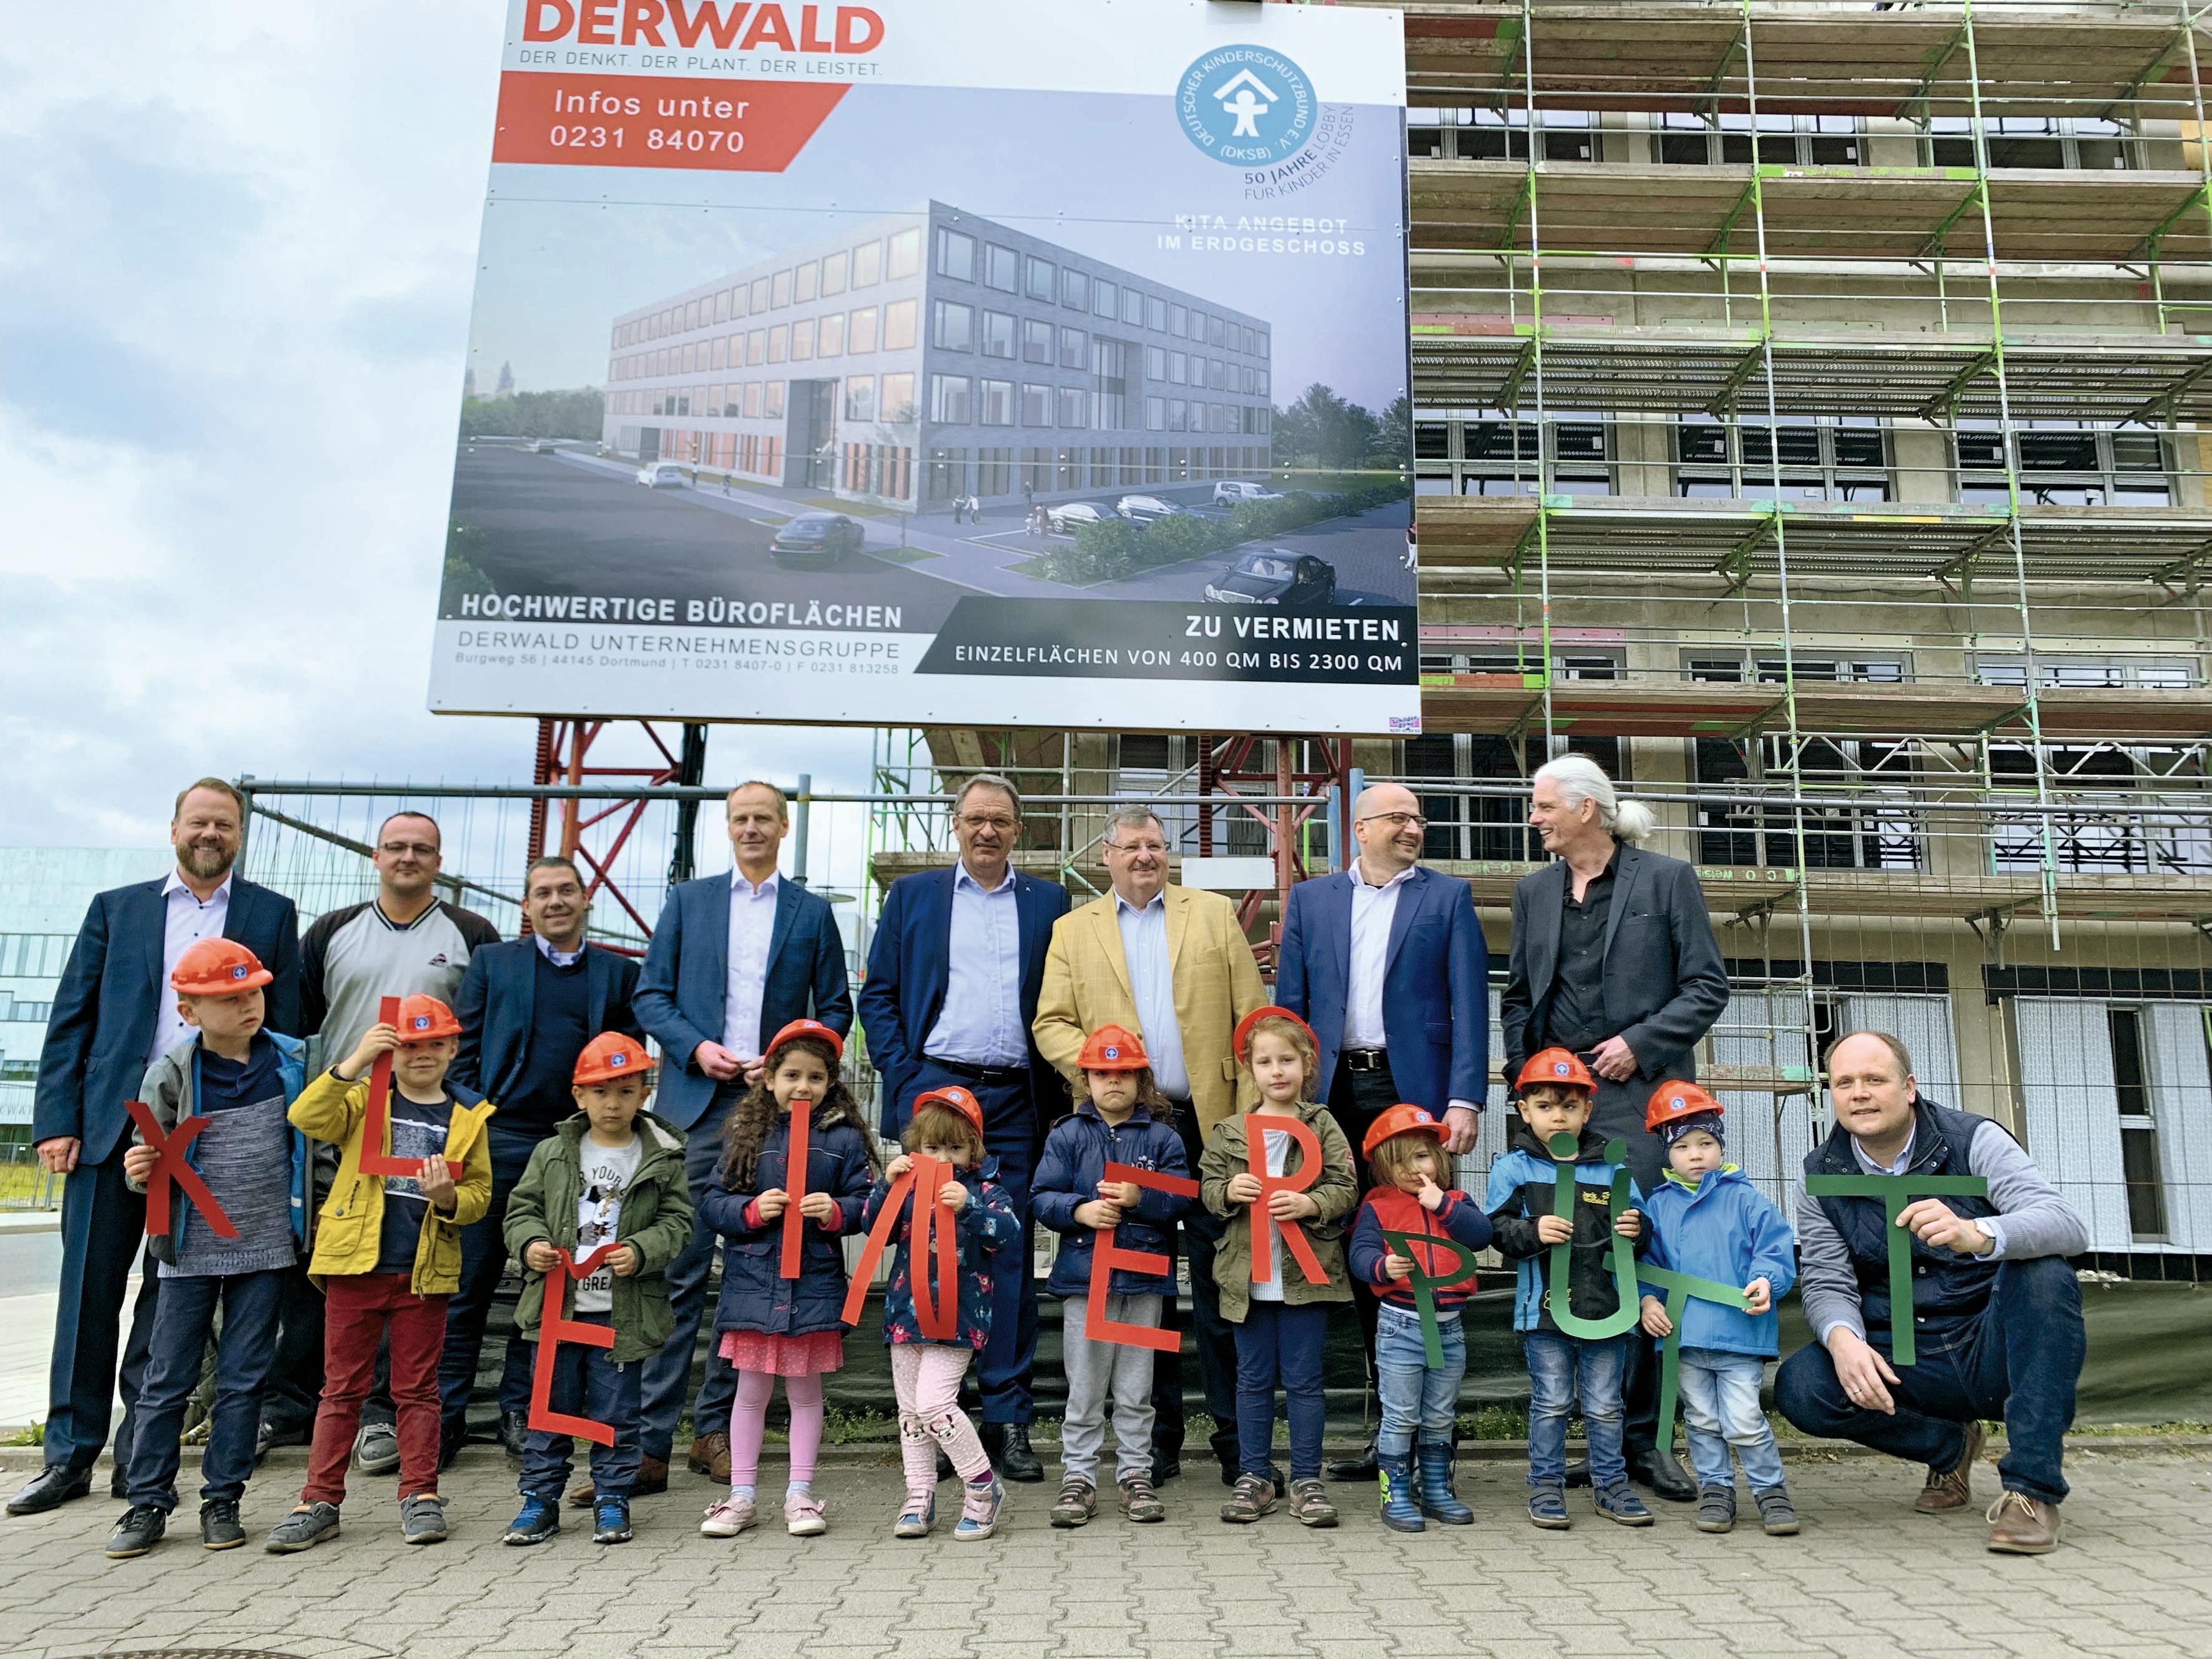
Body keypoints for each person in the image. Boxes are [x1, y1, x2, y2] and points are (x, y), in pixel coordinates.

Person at [13, 778, 302, 1520]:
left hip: (217, 1133)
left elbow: (287, 1024)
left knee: (169, 1300)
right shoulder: (119, 907)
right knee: (88, 1292)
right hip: (118, 1127)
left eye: (226, 824)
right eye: (200, 820)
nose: (212, 833)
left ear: (240, 834)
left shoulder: (270, 913)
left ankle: (142, 1457)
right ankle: (70, 1453)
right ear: (174, 826)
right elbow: (71, 1017)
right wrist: (56, 1120)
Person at [1500, 753, 1726, 1503]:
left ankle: (1645, 1442)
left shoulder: (1665, 880)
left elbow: (1706, 986)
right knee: (1567, 1258)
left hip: (1636, 1097)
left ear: (1585, 810)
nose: (1533, 818)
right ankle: (1590, 1442)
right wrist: (1523, 1077)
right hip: (1552, 1103)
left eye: (1542, 806)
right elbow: (1519, 995)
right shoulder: (1534, 891)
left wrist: (1641, 1044)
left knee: (1636, 1254)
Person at [1776, 1031, 2089, 1555]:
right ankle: (1949, 1447)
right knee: (1803, 1385)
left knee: (2044, 1273)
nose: (1859, 1093)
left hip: (1988, 1339)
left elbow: (2066, 1223)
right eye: (1843, 1082)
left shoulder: (1973, 1139)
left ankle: (2032, 1493)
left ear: (1910, 1087)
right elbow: (1827, 1277)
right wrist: (1843, 1340)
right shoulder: (1818, 1175)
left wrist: (1978, 1234)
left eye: (1875, 1079)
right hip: (1903, 1354)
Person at [1033, 804, 1266, 1485]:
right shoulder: (1073, 930)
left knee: (1226, 1285)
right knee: (1145, 1286)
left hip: (1208, 1126)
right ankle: (1157, 1441)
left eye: (1156, 845)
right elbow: (1051, 1022)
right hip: (1127, 1134)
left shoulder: (1214, 914)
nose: (1144, 856)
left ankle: (1236, 1441)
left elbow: (1251, 1020)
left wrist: (1249, 1120)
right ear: (1106, 855)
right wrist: (1107, 1071)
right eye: (1132, 845)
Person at [634, 780, 853, 1495]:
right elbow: (650, 996)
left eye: (764, 817)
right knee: (680, 1270)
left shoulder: (811, 913)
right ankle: (648, 1443)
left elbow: (837, 1007)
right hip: (698, 1102)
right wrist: (698, 1048)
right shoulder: (688, 902)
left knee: (756, 1273)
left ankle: (716, 1432)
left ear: (784, 827)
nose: (752, 827)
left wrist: (793, 1069)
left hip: (773, 1111)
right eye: (740, 818)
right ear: (726, 828)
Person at [1274, 779, 1490, 1480]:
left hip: (1415, 1092)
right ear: (1360, 827)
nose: (1414, 827)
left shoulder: (1447, 898)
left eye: (1420, 819)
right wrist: (1289, 1105)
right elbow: (1293, 1007)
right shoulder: (1312, 901)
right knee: (1361, 1248)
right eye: (1400, 817)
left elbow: (1469, 1002)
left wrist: (1465, 1098)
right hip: (1333, 1090)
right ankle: (1388, 1428)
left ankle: (1435, 1440)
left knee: (1423, 1243)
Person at [858, 773, 1069, 1482]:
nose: (987, 830)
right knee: (929, 1252)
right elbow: (879, 995)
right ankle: (933, 1419)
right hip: (935, 1101)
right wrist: (909, 1078)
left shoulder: (1051, 901)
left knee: (1005, 1257)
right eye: (975, 818)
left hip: (1015, 1101)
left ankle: (1007, 1420)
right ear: (956, 824)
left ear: (1019, 829)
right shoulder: (913, 896)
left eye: (1001, 820)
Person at [283, 810, 498, 1474]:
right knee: (336, 1267)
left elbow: (483, 1023)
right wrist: (348, 1070)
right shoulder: (331, 931)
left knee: (411, 1263)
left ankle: (384, 1418)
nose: (409, 856)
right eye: (396, 846)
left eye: (423, 848)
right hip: (351, 1125)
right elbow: (301, 1023)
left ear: (440, 860)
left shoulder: (471, 933)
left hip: (430, 1125)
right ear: (375, 855)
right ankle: (303, 1411)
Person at [104, 941, 310, 1559]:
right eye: (228, 998)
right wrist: (140, 1168)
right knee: (167, 1379)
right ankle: (147, 1502)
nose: (247, 1004)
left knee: (245, 1380)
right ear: (190, 1010)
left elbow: (314, 1144)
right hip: (189, 1249)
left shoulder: (294, 1060)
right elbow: (148, 1160)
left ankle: (224, 1497)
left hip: (268, 1246)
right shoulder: (172, 1071)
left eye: (253, 991)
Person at [265, 996, 494, 1553]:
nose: (422, 1055)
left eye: (434, 1043)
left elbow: (480, 1193)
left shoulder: (469, 1113)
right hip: (353, 1266)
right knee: (340, 1388)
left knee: (416, 1390)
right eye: (409, 1044)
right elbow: (306, 1117)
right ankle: (318, 1499)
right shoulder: (367, 1098)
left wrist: (447, 1200)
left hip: (423, 1272)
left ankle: (420, 1494)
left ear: (453, 1048)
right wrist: (355, 1061)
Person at [446, 855, 643, 1463]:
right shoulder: (493, 964)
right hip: (498, 1140)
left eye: (566, 890)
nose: (555, 900)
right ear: (525, 906)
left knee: (551, 1284)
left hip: (576, 1149)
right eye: (542, 892)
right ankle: (441, 1422)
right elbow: (460, 1056)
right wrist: (483, 1113)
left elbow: (630, 1062)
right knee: (468, 1283)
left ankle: (522, 1413)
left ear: (586, 899)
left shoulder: (617, 975)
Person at [501, 1032, 692, 1549]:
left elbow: (678, 1221)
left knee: (616, 1412)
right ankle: (539, 1499)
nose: (613, 1103)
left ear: (644, 1094)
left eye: (626, 1091)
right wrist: (531, 1245)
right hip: (556, 1307)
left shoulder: (662, 1156)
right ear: (578, 1095)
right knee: (548, 1408)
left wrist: (642, 1248)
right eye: (601, 1091)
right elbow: (520, 1211)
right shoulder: (552, 1153)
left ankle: (612, 1495)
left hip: (620, 1313)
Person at [696, 1020, 877, 1540]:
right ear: (769, 1078)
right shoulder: (744, 1133)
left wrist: (837, 1210)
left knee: (805, 1394)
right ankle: (742, 1496)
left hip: (812, 1287)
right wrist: (750, 1210)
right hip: (754, 1285)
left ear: (830, 1082)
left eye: (815, 1077)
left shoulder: (842, 1137)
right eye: (792, 1074)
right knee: (748, 1393)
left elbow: (869, 1203)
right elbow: (713, 1202)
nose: (803, 1086)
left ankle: (800, 1492)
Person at [1200, 1008, 1356, 1530]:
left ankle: (1308, 1478)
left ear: (1306, 1063)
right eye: (1265, 1061)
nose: (1276, 1070)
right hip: (1247, 1278)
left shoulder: (1322, 1124)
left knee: (1306, 1380)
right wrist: (1226, 1191)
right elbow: (1206, 1189)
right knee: (1252, 1379)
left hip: (1305, 1276)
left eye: (1286, 1059)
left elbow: (1345, 1186)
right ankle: (1255, 1476)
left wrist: (1312, 1204)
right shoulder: (1228, 1131)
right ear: (1250, 1067)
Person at [1031, 1024, 1190, 1529]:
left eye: (1124, 1073)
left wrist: (1141, 1198)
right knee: (1084, 1385)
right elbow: (1041, 1196)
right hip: (1086, 1282)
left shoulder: (1164, 1136)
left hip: (1142, 1282)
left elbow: (1184, 1197)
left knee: (1135, 1386)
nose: (1113, 1082)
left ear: (1140, 1078)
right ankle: (1078, 1477)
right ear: (1086, 1078)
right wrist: (1079, 1211)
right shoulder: (1067, 1134)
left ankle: (1135, 1474)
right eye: (1103, 1073)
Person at [1485, 1048, 1651, 1530]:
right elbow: (1495, 1231)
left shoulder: (1614, 1170)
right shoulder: (1513, 1169)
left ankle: (1611, 1486)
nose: (1557, 1115)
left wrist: (1636, 1228)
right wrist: (1532, 1231)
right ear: (1523, 1110)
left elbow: (1643, 1233)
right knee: (1552, 1401)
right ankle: (1544, 1485)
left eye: (1569, 1106)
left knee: (1604, 1404)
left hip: (1608, 1309)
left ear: (1587, 1111)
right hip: (1544, 1310)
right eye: (1544, 1105)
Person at [1635, 1083, 1799, 1537]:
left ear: (1720, 1145)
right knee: (1702, 1419)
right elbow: (1647, 1262)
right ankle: (1716, 1490)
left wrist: (1767, 1280)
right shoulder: (1657, 1206)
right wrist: (1647, 1300)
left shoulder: (1747, 1199)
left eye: (1705, 1143)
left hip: (1738, 1336)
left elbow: (1775, 1250)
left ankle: (1771, 1492)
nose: (1695, 1154)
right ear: (1667, 1153)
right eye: (1682, 1146)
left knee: (1744, 1419)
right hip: (1683, 1337)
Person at [862, 1086, 1019, 1542]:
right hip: (905, 1314)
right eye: (932, 1146)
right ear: (915, 1147)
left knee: (935, 1404)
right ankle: (919, 1495)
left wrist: (969, 1208)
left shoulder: (985, 1188)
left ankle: (982, 1487)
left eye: (954, 1146)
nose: (942, 1155)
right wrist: (885, 1185)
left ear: (973, 1147)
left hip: (958, 1316)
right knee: (911, 1412)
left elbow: (1005, 1234)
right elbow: (874, 1228)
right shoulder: (906, 1184)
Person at [1346, 1104, 1493, 1533]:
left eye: (1422, 1156)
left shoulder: (1457, 1202)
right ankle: (1394, 1494)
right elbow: (1359, 1254)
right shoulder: (1377, 1208)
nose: (1413, 1169)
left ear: (1441, 1158)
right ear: (1383, 1170)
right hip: (1400, 1325)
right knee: (1400, 1415)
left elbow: (1481, 1235)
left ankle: (1435, 1491)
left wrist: (1442, 1205)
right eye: (1399, 1160)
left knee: (1439, 1415)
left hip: (1448, 1325)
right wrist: (1381, 1267)